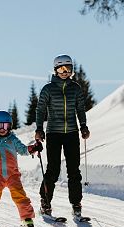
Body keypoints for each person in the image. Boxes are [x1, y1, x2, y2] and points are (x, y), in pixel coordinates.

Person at [35, 54, 90, 218]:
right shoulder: (48, 89)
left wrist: (84, 126)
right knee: (53, 169)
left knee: (74, 170)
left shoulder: (76, 88)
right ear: (55, 70)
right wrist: (39, 128)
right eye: (61, 69)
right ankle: (45, 202)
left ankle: (76, 203)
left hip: (71, 133)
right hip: (53, 133)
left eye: (68, 69)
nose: (65, 72)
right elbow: (40, 110)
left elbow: (80, 109)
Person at [0, 110, 43, 227]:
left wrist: (34, 148)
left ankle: (27, 219)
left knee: (20, 196)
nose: (2, 129)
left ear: (10, 126)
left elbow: (23, 150)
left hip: (13, 175)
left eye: (6, 126)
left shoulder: (13, 140)